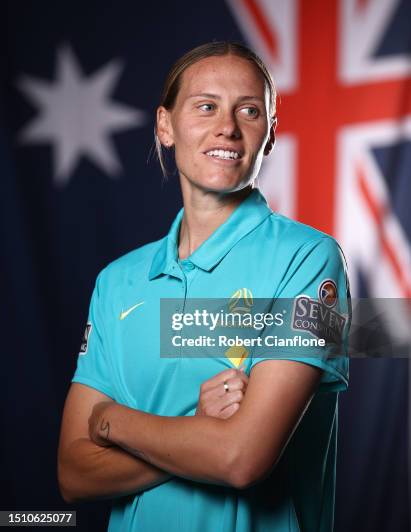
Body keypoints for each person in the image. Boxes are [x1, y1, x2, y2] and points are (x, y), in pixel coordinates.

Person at [58, 41, 351, 531]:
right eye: (206, 106)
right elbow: (72, 473)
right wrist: (197, 431)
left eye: (250, 111)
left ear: (271, 135)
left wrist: (113, 422)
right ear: (165, 126)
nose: (227, 127)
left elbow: (241, 459)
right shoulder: (116, 282)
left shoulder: (313, 260)